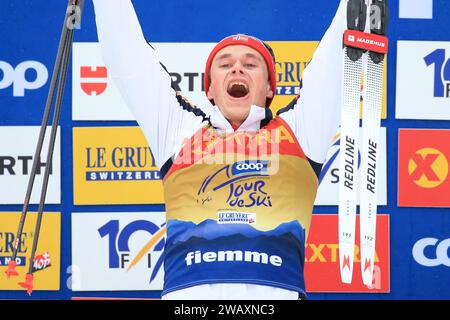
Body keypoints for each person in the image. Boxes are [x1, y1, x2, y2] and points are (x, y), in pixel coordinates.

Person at [92, 0, 346, 300]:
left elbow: (335, 59)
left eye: (251, 64)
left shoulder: (300, 133)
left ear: (269, 88)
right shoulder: (178, 130)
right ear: (210, 89)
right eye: (225, 64)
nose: (237, 67)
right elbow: (128, 55)